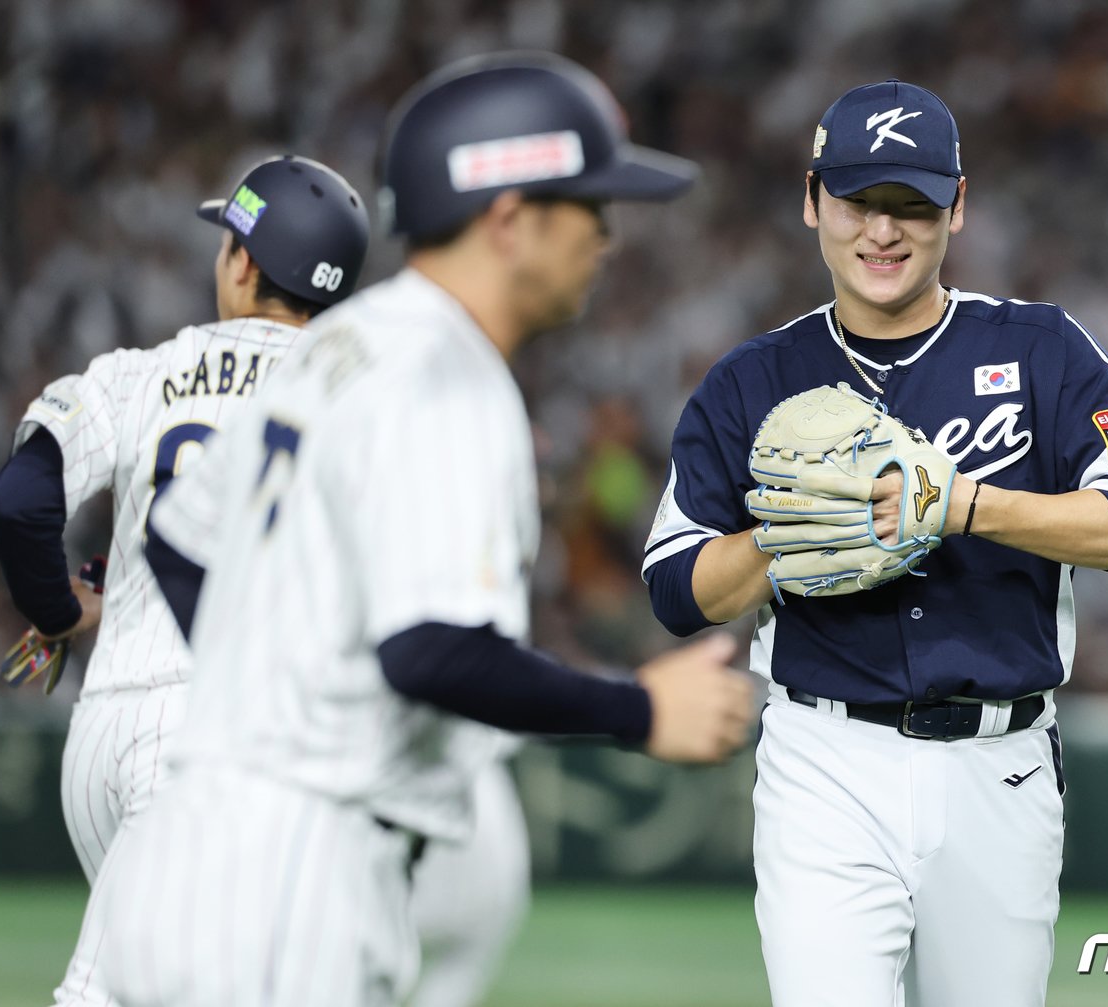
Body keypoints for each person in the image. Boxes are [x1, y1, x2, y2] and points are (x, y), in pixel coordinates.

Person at [93, 51, 755, 1007]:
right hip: (289, 883)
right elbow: (431, 652)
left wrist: (264, 692)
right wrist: (639, 710)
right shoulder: (447, 379)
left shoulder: (344, 344)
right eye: (590, 206)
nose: (608, 236)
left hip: (198, 847)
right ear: (510, 218)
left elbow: (178, 538)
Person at [642, 79, 1108, 1006]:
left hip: (999, 763)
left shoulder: (1045, 349)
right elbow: (676, 588)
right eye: (857, 201)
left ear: (958, 207)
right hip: (825, 759)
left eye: (912, 205)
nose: (882, 232)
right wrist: (787, 534)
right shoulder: (753, 379)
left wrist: (966, 502)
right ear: (811, 200)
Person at [0, 153, 369, 1006]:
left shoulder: (140, 372)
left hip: (102, 732)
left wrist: (55, 608)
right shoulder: (357, 395)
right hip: (215, 739)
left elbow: (19, 501)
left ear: (243, 261)